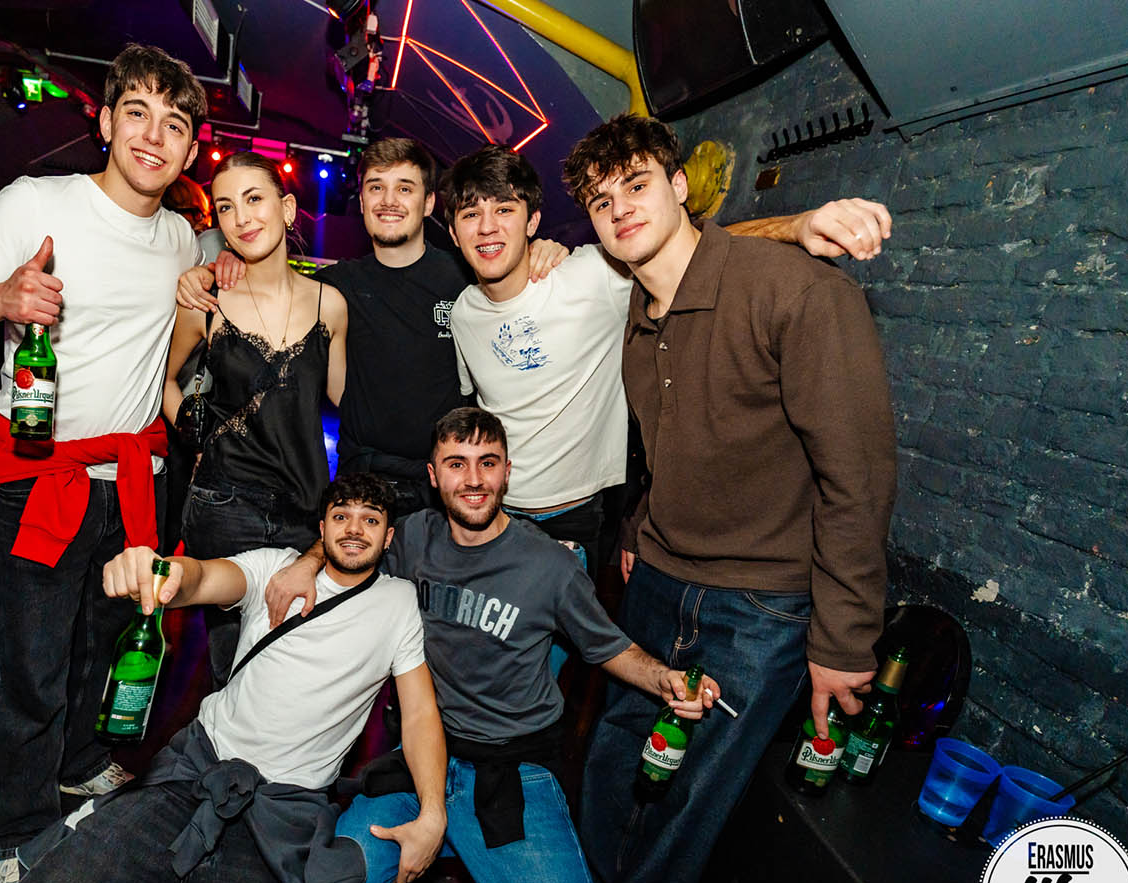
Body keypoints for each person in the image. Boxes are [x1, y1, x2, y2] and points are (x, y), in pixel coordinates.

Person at [562, 114, 897, 883]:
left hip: (761, 609)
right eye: (601, 200)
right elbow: (666, 441)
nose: (620, 208)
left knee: (684, 811)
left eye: (638, 184)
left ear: (681, 187)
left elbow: (857, 478)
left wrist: (844, 639)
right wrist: (639, 528)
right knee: (613, 764)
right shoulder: (639, 312)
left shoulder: (798, 293)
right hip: (657, 584)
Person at [267, 408, 718, 883]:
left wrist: (666, 679)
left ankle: (490, 866)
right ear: (434, 475)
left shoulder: (550, 565)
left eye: (487, 463)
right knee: (340, 880)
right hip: (422, 760)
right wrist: (305, 562)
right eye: (457, 464)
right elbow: (350, 543)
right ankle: (466, 852)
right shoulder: (413, 538)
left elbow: (609, 647)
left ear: (507, 472)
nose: (474, 479)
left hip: (512, 772)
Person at [0, 42, 209, 883]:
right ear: (105, 121)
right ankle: (15, 833)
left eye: (174, 124)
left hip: (134, 481)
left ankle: (79, 763)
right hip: (42, 479)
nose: (153, 136)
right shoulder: (36, 205)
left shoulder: (179, 237)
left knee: (103, 647)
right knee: (29, 669)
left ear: (190, 149)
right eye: (137, 112)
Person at [0, 473, 446, 883]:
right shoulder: (275, 567)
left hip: (281, 821)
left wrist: (433, 814)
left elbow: (419, 714)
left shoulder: (397, 604)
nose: (355, 529)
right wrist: (161, 571)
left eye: (371, 519)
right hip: (187, 783)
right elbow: (203, 578)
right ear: (321, 530)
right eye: (341, 516)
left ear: (389, 538)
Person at [440, 143, 892, 577]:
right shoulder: (462, 312)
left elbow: (687, 248)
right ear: (454, 233)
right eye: (471, 214)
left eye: (504, 210)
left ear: (533, 220)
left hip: (572, 518)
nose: (487, 228)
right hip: (490, 508)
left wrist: (796, 226)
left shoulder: (592, 275)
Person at [178, 137, 570, 518]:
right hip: (360, 487)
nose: (388, 200)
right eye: (376, 187)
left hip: (443, 487)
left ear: (429, 203)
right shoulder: (332, 289)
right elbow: (273, 284)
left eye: (405, 188)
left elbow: (509, 268)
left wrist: (542, 248)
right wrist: (218, 266)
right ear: (362, 202)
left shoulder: (467, 277)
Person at [163, 150, 349, 685]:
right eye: (225, 207)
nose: (241, 218)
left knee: (289, 661)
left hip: (304, 508)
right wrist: (196, 434)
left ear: (287, 208)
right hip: (224, 505)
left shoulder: (330, 304)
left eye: (253, 199)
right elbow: (164, 381)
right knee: (233, 667)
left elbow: (348, 402)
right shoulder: (206, 302)